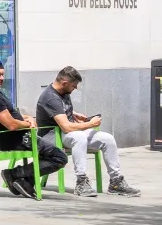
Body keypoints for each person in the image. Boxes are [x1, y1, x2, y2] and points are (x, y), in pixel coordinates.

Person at [36, 66, 141, 197]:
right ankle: (81, 182)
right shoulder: (50, 97)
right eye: (73, 86)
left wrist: (74, 114)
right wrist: (90, 124)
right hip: (51, 136)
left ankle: (116, 182)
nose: (75, 89)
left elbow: (59, 112)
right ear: (64, 83)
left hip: (66, 133)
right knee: (79, 137)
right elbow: (66, 127)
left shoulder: (64, 92)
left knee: (107, 139)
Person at [0, 59, 65, 198]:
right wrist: (30, 124)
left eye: (2, 74)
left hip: (11, 137)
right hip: (16, 139)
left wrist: (25, 118)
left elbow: (9, 117)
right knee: (59, 157)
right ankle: (14, 174)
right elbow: (11, 125)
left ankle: (24, 182)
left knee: (50, 153)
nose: (2, 78)